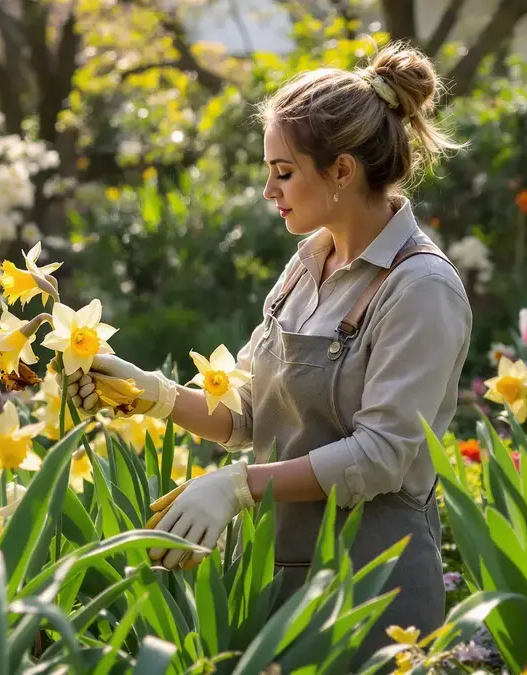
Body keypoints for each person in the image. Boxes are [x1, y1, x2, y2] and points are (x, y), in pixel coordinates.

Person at [68, 42, 472, 660]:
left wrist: (239, 487)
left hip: (372, 591)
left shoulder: (420, 289)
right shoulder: (307, 264)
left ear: (342, 171)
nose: (267, 190)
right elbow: (250, 413)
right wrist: (151, 393)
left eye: (283, 172)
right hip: (277, 575)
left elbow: (383, 456)